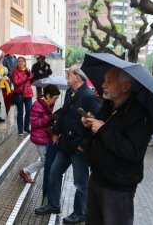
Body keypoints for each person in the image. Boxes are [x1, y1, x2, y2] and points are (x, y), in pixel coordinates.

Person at [82, 67, 151, 225]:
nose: (103, 85)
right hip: (97, 178)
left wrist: (102, 128)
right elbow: (99, 135)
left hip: (118, 188)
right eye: (104, 80)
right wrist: (90, 124)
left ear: (125, 87)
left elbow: (134, 152)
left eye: (109, 81)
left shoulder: (139, 115)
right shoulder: (108, 106)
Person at [35, 64, 101, 224]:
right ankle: (53, 205)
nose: (66, 75)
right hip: (65, 144)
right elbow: (64, 113)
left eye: (69, 73)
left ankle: (80, 212)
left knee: (80, 182)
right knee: (54, 172)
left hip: (79, 148)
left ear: (78, 77)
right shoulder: (70, 92)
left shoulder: (88, 96)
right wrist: (56, 132)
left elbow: (98, 124)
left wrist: (84, 145)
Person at [19, 84, 61, 183]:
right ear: (47, 95)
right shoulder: (37, 105)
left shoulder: (48, 104)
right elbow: (34, 123)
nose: (55, 101)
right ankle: (25, 171)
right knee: (45, 160)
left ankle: (26, 171)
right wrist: (49, 118)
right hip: (39, 136)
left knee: (47, 159)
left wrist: (52, 119)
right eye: (55, 98)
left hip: (45, 135)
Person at [12, 56, 34, 135]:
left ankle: (26, 127)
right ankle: (20, 130)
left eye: (22, 61)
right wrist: (25, 77)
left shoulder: (27, 70)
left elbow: (31, 81)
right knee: (20, 112)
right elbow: (16, 83)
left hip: (28, 94)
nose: (21, 63)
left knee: (29, 111)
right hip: (19, 95)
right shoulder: (15, 71)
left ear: (25, 62)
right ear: (17, 63)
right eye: (19, 61)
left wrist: (31, 76)